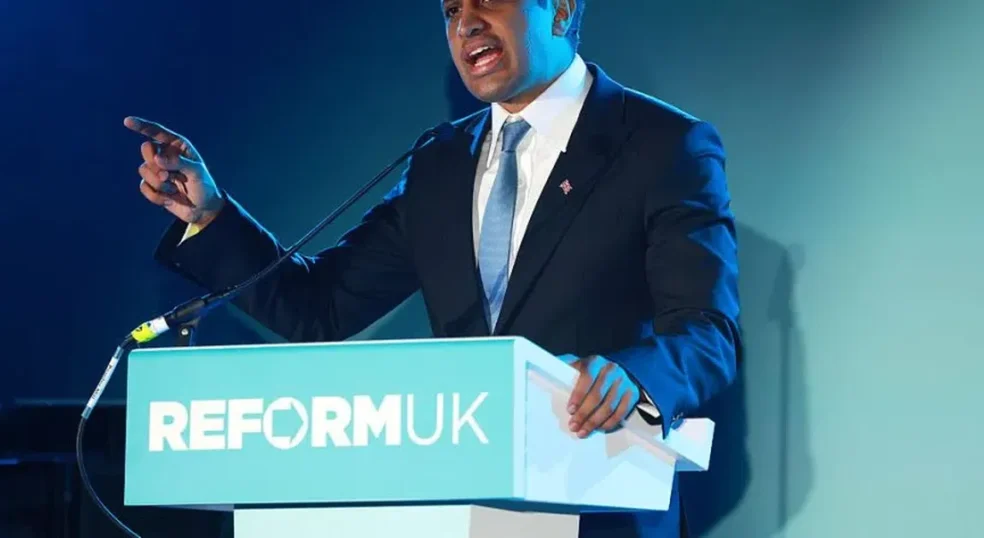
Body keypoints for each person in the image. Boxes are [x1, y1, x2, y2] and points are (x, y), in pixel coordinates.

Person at [127, 0, 741, 536]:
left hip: (599, 504)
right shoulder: (441, 161)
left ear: (559, 8)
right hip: (461, 511)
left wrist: (634, 375)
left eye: (487, 1)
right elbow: (320, 307)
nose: (466, 22)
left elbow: (708, 332)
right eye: (450, 10)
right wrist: (210, 215)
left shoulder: (663, 144)